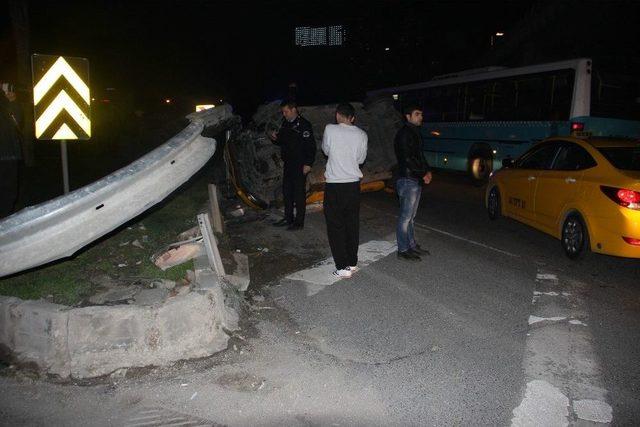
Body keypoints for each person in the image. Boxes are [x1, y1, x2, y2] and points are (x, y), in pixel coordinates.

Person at [322, 103, 368, 278]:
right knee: (352, 224)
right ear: (353, 118)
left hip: (335, 184)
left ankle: (341, 267)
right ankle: (352, 262)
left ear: (337, 115)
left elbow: (326, 150)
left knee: (335, 226)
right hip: (353, 185)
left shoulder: (330, 129)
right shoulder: (362, 134)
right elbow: (360, 159)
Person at [269, 99, 316, 230]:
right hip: (288, 163)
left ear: (294, 109)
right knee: (287, 192)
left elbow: (311, 146)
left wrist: (308, 163)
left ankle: (299, 222)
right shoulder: (285, 123)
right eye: (283, 112)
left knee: (299, 194)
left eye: (286, 111)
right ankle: (288, 218)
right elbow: (282, 141)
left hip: (300, 164)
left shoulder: (304, 125)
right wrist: (275, 138)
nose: (284, 114)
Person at [394, 104, 432, 261]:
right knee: (405, 216)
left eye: (421, 114)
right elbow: (407, 158)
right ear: (408, 117)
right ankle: (403, 249)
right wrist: (423, 173)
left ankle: (411, 245)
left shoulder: (414, 133)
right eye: (417, 114)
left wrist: (428, 170)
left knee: (411, 216)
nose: (421, 117)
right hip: (407, 179)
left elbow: (419, 156)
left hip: (414, 178)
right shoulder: (404, 134)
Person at [0, 83, 22, 218]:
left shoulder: (6, 101)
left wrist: (12, 102)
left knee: (8, 196)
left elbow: (17, 122)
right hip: (7, 154)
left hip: (8, 155)